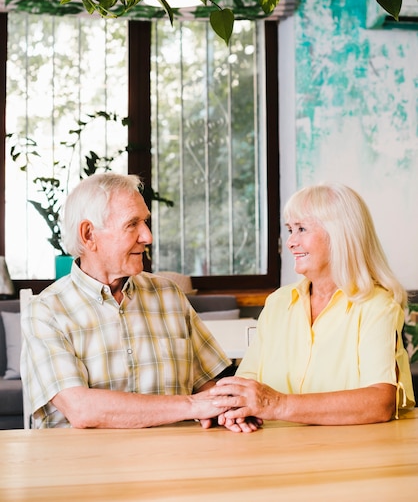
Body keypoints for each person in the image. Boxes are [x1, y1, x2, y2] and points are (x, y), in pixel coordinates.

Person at [20, 173, 238, 429]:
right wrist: (192, 405)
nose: (147, 236)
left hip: (174, 461)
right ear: (89, 235)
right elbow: (81, 408)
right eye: (132, 224)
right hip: (87, 465)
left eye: (145, 222)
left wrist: (229, 411)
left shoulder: (169, 294)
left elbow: (207, 385)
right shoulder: (46, 311)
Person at [210, 182, 415, 431]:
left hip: (351, 457)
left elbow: (380, 402)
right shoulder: (278, 302)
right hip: (273, 450)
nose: (290, 242)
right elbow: (247, 381)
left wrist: (277, 405)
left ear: (340, 235)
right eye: (290, 230)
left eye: (301, 229)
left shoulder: (376, 305)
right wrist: (237, 409)